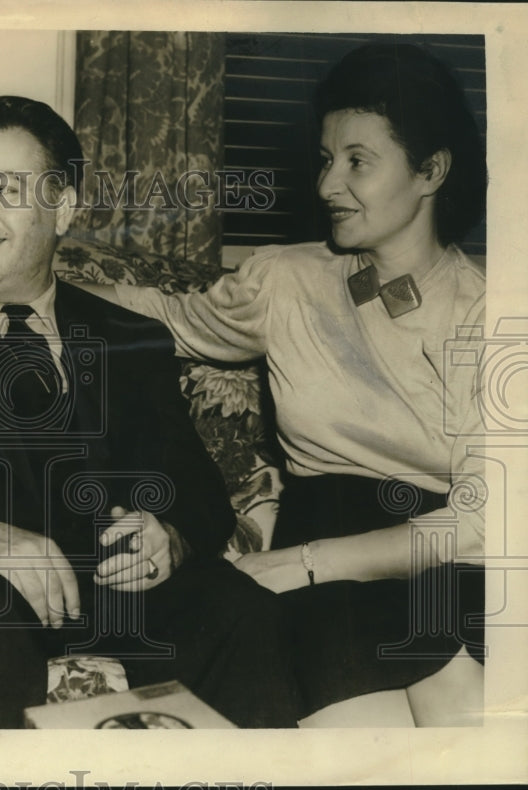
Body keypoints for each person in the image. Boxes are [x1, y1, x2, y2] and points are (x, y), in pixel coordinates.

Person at [0, 95, 301, 729]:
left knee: (240, 611)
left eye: (2, 190)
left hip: (116, 592)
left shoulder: (131, 335)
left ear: (63, 206)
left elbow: (196, 488)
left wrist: (167, 535)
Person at [85, 43, 487, 725]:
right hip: (328, 565)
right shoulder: (286, 281)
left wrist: (304, 564)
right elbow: (160, 318)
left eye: (358, 161)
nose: (329, 184)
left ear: (432, 171)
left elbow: (483, 522)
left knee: (460, 710)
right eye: (326, 159)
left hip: (432, 561)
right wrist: (29, 277)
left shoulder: (493, 313)